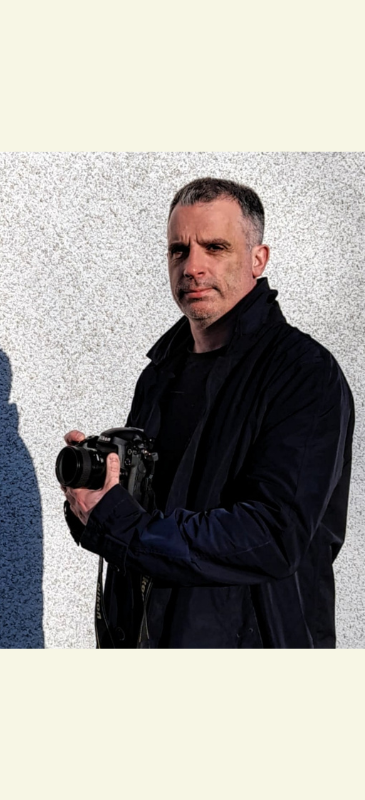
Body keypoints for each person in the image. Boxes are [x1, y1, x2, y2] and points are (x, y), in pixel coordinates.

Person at [62, 177, 354, 648]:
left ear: (258, 259)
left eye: (215, 247)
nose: (192, 266)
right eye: (179, 250)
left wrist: (123, 525)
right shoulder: (161, 373)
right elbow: (141, 517)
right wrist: (94, 503)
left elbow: (272, 536)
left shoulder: (303, 373)